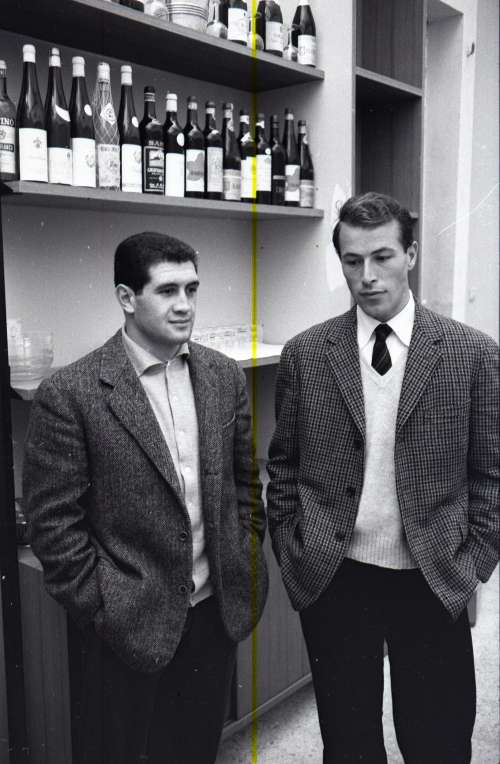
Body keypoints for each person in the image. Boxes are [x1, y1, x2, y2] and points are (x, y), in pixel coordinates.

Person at [266, 192, 499, 763]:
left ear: (411, 255)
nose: (367, 276)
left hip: (433, 574)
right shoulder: (306, 354)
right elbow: (284, 466)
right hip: (336, 576)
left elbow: (492, 475)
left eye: (382, 257)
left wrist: (473, 563)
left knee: (438, 741)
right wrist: (296, 554)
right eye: (352, 261)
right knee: (348, 743)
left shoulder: (471, 353)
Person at [23, 231, 268, 764]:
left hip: (214, 613)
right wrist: (102, 607)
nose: (185, 305)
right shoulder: (71, 393)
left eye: (192, 289)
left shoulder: (223, 376)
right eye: (167, 291)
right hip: (126, 624)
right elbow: (52, 525)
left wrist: (243, 555)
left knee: (196, 750)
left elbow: (244, 483)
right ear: (127, 298)